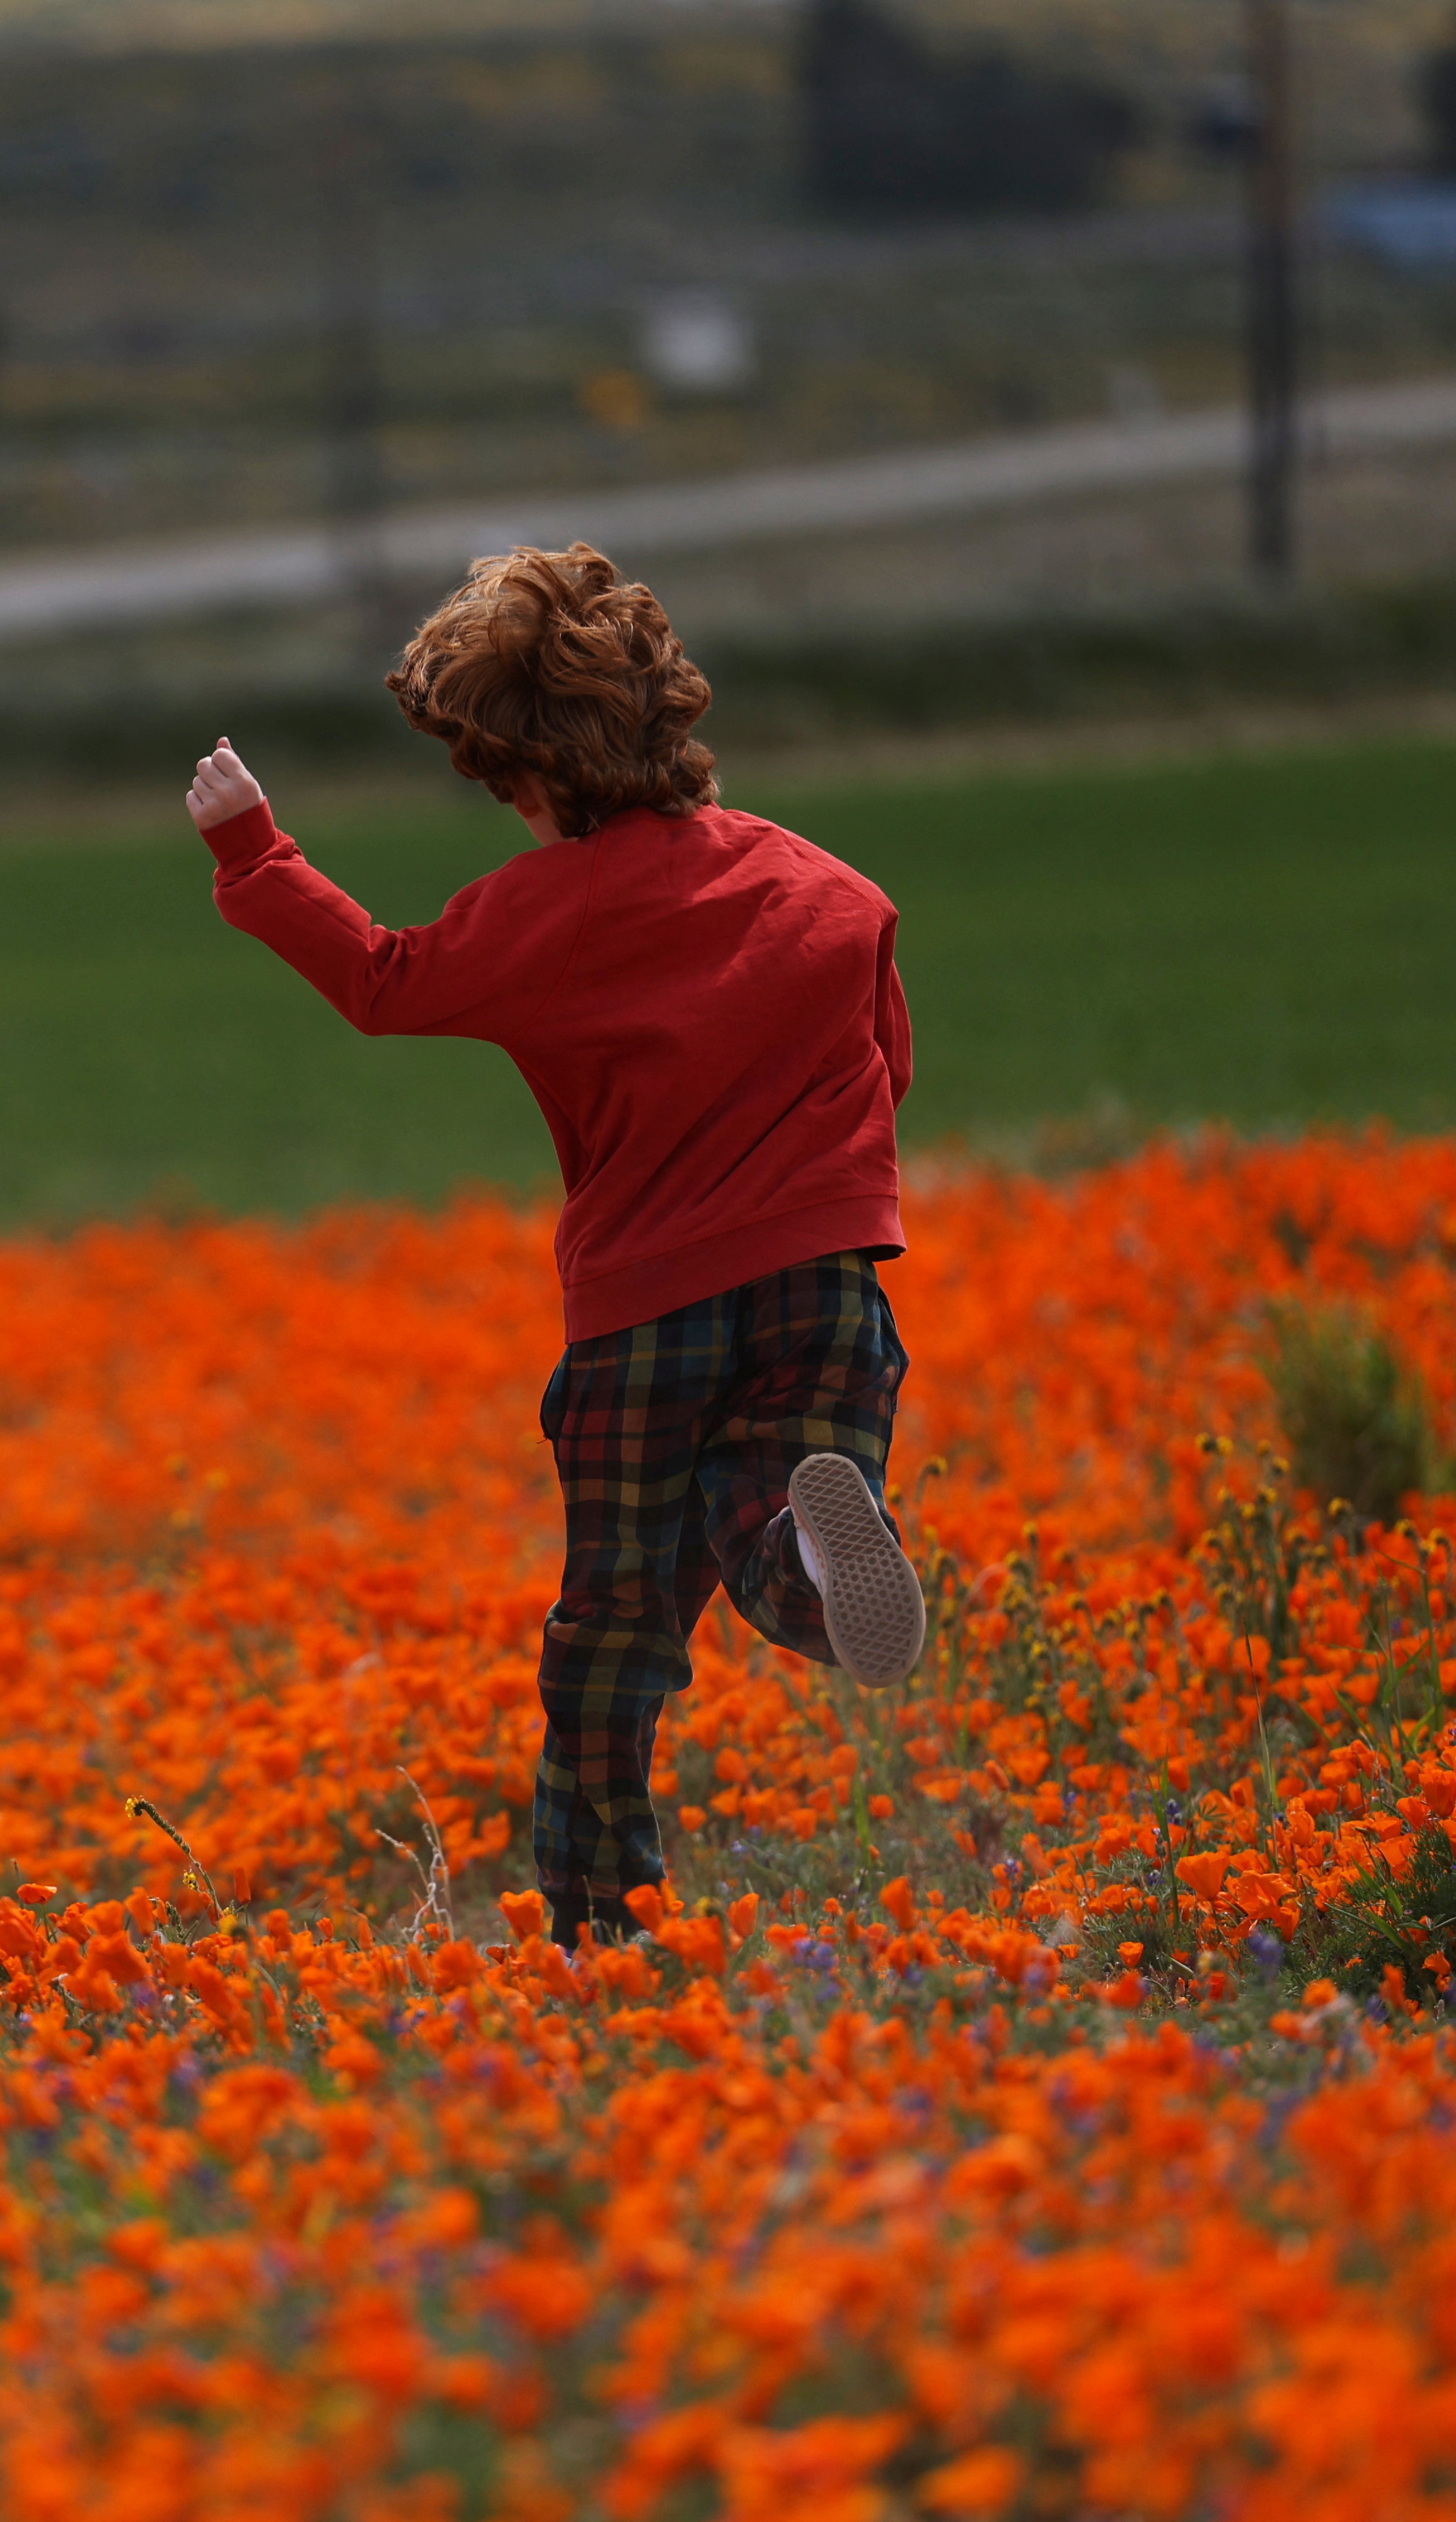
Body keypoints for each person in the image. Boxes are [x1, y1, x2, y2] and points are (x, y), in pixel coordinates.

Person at [185, 542, 925, 1948]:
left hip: (649, 1314)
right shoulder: (830, 887)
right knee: (768, 1516)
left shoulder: (552, 907)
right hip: (826, 1284)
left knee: (614, 1642)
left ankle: (603, 1928)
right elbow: (887, 1067)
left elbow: (382, 981)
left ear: (530, 776)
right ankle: (822, 1564)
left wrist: (256, 853)